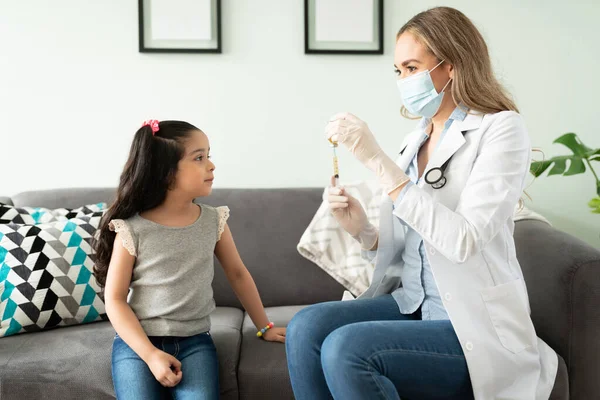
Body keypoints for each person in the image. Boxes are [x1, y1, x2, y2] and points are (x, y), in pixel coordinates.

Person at [286, 7, 557, 400]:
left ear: (451, 66)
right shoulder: (413, 141)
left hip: (467, 323)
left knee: (346, 349)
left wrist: (377, 161)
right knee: (306, 326)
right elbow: (413, 247)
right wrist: (363, 231)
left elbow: (464, 240)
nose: (404, 81)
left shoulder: (501, 128)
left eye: (412, 67)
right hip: (411, 301)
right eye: (398, 71)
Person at [93, 120, 285, 400]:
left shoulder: (213, 220)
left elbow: (238, 274)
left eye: (209, 155)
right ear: (166, 172)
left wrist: (264, 327)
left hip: (195, 342)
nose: (212, 165)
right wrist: (150, 355)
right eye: (199, 158)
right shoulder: (131, 229)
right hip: (137, 345)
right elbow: (116, 300)